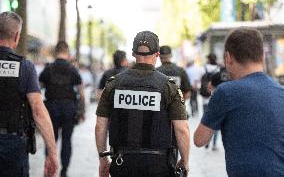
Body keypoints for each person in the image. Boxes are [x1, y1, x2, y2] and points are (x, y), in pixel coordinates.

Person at [95, 31, 190, 177]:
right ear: (157, 54)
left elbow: (100, 126)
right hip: (158, 165)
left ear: (133, 54)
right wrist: (185, 160)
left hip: (122, 162)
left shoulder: (114, 84)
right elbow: (182, 129)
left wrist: (103, 159)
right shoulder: (168, 86)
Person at [194, 28, 284, 176]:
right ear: (262, 56)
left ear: (228, 57)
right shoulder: (281, 92)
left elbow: (199, 140)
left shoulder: (225, 92)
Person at [0, 11, 58, 176]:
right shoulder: (25, 67)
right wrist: (52, 152)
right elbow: (38, 111)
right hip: (13, 144)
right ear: (17, 36)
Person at [39, 41, 85, 177]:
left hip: (51, 108)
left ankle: (50, 170)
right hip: (69, 108)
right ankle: (64, 172)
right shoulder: (72, 69)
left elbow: (37, 89)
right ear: (67, 51)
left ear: (55, 51)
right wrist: (81, 111)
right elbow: (81, 92)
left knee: (50, 140)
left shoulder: (48, 69)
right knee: (67, 141)